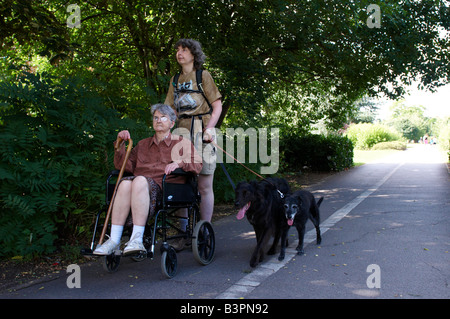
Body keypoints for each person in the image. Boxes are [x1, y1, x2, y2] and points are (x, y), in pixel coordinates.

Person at [93, 104, 202, 256]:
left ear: (172, 123)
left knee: (138, 181)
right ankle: (114, 240)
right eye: (155, 117)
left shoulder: (181, 143)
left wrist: (179, 163)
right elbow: (124, 166)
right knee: (124, 183)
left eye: (163, 117)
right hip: (138, 187)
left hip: (166, 187)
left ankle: (136, 238)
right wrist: (120, 145)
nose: (158, 120)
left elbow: (198, 165)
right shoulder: (143, 144)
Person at [164, 39, 222, 236]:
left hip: (203, 132)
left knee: (205, 185)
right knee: (180, 180)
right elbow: (170, 109)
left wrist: (210, 128)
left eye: (184, 50)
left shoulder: (203, 75)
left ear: (194, 54)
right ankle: (182, 232)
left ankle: (204, 230)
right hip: (181, 134)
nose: (179, 53)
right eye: (178, 50)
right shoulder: (174, 79)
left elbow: (217, 105)